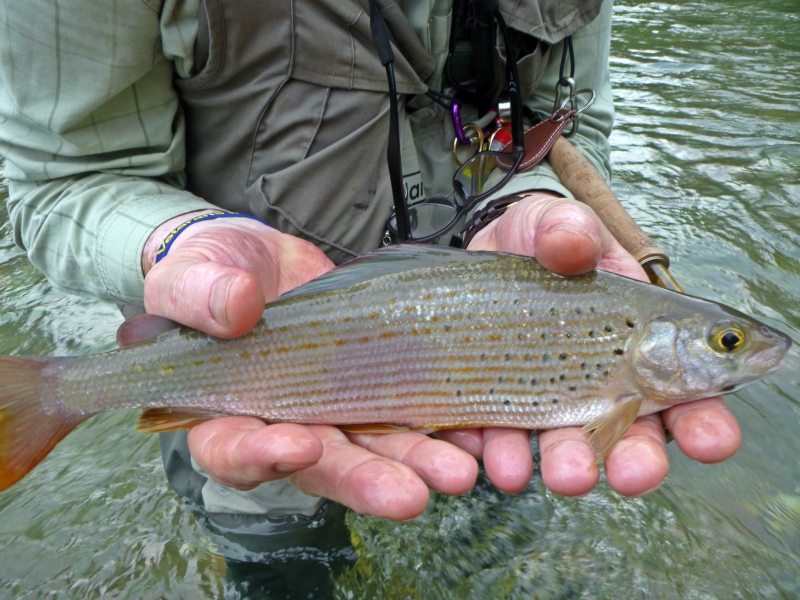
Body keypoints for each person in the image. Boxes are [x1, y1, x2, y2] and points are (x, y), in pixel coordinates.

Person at [0, 0, 741, 588]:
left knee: (484, 543)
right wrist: (181, 243)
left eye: (724, 341)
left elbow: (568, 128)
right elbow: (63, 180)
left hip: (490, 358)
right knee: (276, 559)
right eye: (725, 342)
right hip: (243, 317)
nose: (734, 352)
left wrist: (532, 201)